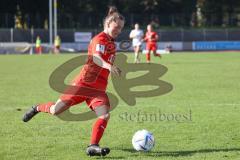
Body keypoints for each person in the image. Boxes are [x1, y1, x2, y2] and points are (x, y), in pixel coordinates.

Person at [22, 6, 125, 157]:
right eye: (117, 27)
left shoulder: (111, 43)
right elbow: (96, 58)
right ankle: (37, 108)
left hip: (98, 90)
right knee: (56, 110)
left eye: (121, 28)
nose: (119, 31)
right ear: (108, 24)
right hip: (83, 85)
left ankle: (93, 146)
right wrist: (109, 65)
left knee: (104, 115)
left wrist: (109, 69)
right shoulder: (100, 39)